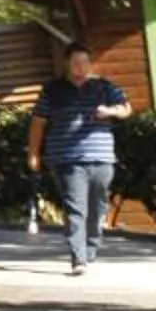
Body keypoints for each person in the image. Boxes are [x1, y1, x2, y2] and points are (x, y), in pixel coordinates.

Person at [29, 40, 131, 271]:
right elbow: (38, 123)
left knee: (98, 206)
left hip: (102, 156)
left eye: (85, 62)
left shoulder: (104, 87)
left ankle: (91, 247)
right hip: (67, 159)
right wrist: (34, 153)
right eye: (76, 63)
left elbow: (126, 109)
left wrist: (110, 111)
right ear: (66, 64)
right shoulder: (52, 90)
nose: (81, 67)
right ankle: (79, 257)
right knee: (76, 207)